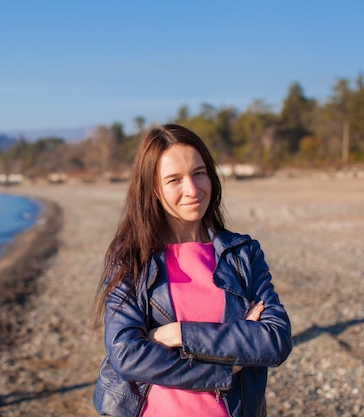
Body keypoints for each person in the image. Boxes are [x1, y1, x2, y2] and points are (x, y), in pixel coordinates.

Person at [93, 124, 292, 417]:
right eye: (174, 179)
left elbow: (275, 339)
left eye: (199, 173)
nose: (192, 189)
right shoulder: (131, 257)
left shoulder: (242, 254)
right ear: (153, 189)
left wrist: (179, 333)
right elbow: (126, 353)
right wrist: (225, 368)